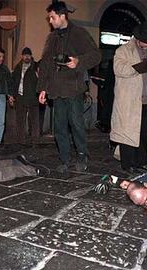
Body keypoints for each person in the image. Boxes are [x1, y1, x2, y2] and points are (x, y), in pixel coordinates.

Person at [37, 1, 101, 175]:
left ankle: (82, 156)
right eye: (49, 17)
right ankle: (65, 158)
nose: (50, 21)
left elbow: (96, 55)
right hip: (56, 90)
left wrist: (78, 62)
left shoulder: (79, 33)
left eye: (52, 17)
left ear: (62, 16)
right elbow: (45, 65)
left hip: (74, 88)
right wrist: (42, 88)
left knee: (76, 124)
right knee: (59, 127)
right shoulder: (51, 38)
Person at [110, 21, 147, 174]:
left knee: (144, 133)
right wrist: (141, 66)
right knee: (128, 133)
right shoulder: (123, 50)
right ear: (138, 38)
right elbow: (119, 69)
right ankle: (127, 164)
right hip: (129, 102)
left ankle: (141, 162)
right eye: (146, 42)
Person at [12, 47, 40, 145]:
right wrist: (13, 95)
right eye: (25, 55)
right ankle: (20, 141)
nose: (27, 57)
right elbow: (14, 82)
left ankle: (35, 140)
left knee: (35, 120)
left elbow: (40, 81)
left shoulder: (36, 66)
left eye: (28, 55)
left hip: (33, 97)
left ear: (31, 56)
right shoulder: (18, 67)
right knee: (20, 120)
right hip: (21, 96)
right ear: (22, 56)